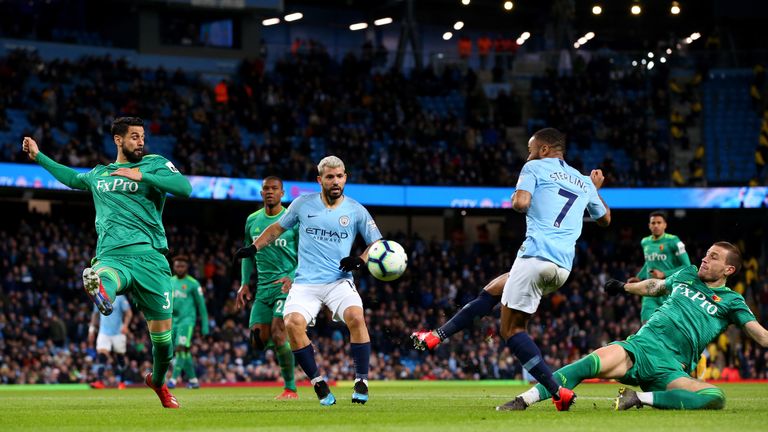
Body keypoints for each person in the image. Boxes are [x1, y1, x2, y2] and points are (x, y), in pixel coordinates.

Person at [412, 128, 611, 411]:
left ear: (543, 150)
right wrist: (593, 190)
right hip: (563, 267)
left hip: (534, 256)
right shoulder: (582, 180)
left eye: (530, 149)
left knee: (511, 330)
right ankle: (436, 336)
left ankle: (557, 392)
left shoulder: (534, 166)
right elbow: (604, 219)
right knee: (494, 289)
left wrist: (518, 194)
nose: (527, 155)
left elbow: (520, 203)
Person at [22, 116, 192, 408]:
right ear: (118, 139)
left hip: (151, 258)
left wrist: (143, 177)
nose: (141, 142)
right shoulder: (100, 174)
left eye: (142, 137)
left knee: (164, 344)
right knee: (105, 275)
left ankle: (158, 381)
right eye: (134, 137)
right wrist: (39, 157)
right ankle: (100, 290)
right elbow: (72, 178)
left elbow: (184, 188)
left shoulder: (153, 164)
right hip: (113, 254)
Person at [500, 242, 768, 411]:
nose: (704, 259)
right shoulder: (687, 274)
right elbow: (656, 287)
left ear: (729, 270)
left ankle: (639, 399)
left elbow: (760, 335)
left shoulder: (733, 301)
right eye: (706, 254)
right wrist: (624, 287)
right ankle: (524, 400)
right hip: (640, 346)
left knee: (714, 397)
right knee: (588, 363)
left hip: (672, 367)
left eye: (713, 257)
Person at [235, 156, 382, 406]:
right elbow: (276, 229)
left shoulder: (356, 209)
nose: (335, 181)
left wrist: (361, 260)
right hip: (305, 283)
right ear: (320, 180)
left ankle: (362, 381)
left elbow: (377, 242)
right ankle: (318, 383)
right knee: (292, 323)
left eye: (339, 176)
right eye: (329, 177)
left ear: (345, 177)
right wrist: (254, 248)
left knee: (356, 316)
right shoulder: (302, 204)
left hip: (339, 280)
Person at [236, 176, 299, 400]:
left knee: (278, 332)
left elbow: (306, 254)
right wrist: (244, 283)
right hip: (262, 289)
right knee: (258, 340)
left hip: (285, 286)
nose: (270, 192)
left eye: (274, 189)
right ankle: (296, 345)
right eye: (266, 189)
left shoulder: (293, 219)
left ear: (283, 193)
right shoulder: (252, 220)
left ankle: (290, 388)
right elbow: (247, 254)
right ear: (261, 193)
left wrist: (292, 276)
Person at [630, 211, 691, 323]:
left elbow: (687, 267)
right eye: (653, 223)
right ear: (649, 225)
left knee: (666, 328)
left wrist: (664, 274)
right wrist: (639, 278)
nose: (656, 225)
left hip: (669, 291)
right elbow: (648, 262)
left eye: (659, 222)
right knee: (646, 325)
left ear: (665, 225)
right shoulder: (645, 242)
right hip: (650, 290)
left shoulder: (674, 241)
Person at [168, 255, 209, 390]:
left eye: (182, 266)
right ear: (174, 266)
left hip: (187, 321)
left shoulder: (193, 283)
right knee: (183, 351)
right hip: (173, 321)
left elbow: (201, 306)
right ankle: (193, 380)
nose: (180, 268)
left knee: (180, 348)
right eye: (177, 265)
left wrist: (205, 326)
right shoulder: (170, 282)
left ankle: (173, 380)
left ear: (187, 267)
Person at [88, 295, 132, 389]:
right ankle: (100, 381)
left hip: (118, 332)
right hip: (104, 331)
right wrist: (91, 330)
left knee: (120, 356)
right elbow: (95, 314)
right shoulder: (98, 296)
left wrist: (125, 325)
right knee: (102, 354)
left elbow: (128, 313)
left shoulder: (120, 297)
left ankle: (122, 382)